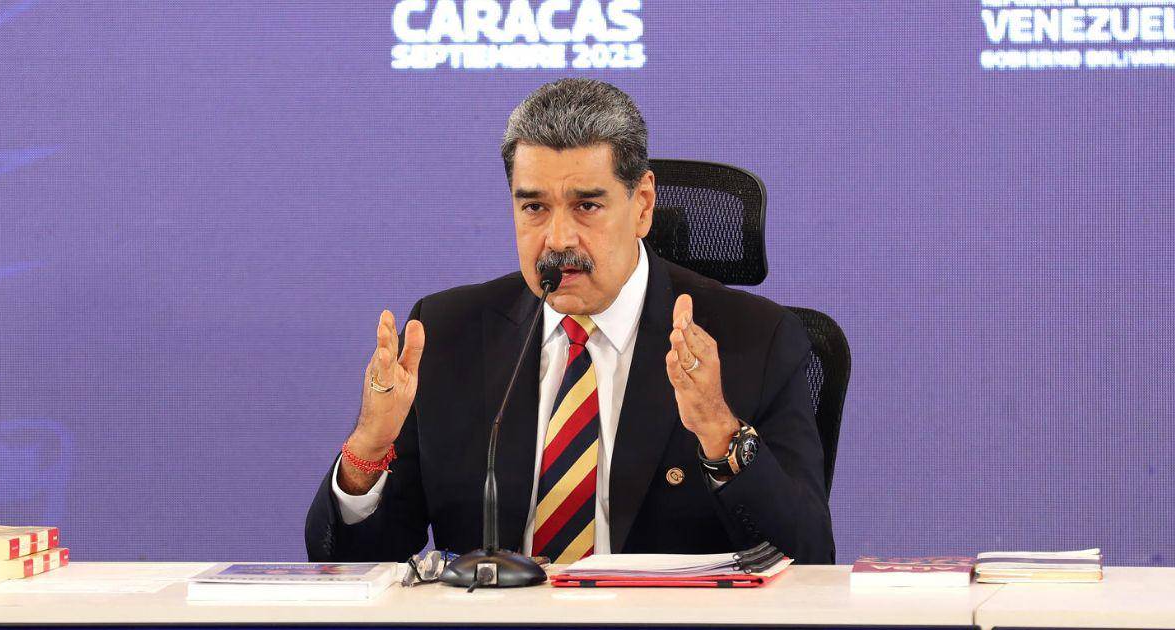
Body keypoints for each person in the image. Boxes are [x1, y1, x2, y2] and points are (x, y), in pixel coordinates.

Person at [305, 78, 834, 564]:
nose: (557, 239)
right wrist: (369, 447)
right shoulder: (446, 335)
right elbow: (352, 562)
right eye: (534, 208)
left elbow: (809, 560)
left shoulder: (754, 341)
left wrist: (719, 429)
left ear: (642, 204)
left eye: (586, 206)